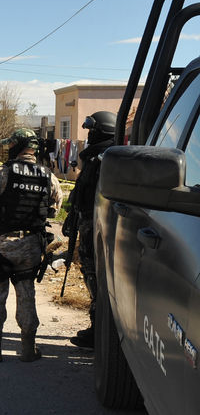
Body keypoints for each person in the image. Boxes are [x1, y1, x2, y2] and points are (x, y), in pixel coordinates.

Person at [0, 128, 62, 362]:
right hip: (31, 245)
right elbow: (55, 207)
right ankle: (28, 349)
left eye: (11, 144)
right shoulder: (48, 176)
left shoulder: (1, 173)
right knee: (26, 293)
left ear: (18, 146)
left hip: (4, 244)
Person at [65, 111, 116, 348]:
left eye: (91, 130)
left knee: (95, 276)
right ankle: (97, 327)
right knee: (90, 273)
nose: (89, 135)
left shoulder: (104, 159)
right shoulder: (95, 158)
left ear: (100, 132)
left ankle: (98, 329)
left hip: (97, 228)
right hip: (88, 224)